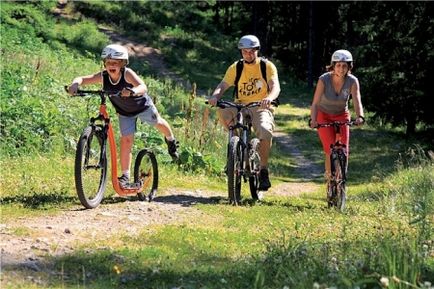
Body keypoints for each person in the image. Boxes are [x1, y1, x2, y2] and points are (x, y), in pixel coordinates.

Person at [68, 44, 179, 187]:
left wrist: (132, 91)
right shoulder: (104, 77)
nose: (111, 65)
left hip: (142, 106)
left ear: (122, 64)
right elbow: (82, 78)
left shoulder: (127, 74)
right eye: (108, 63)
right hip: (124, 112)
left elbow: (143, 87)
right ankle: (125, 176)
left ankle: (171, 141)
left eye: (115, 62)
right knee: (126, 141)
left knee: (158, 122)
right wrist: (75, 84)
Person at [208, 35, 281, 191]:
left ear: (257, 50)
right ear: (241, 52)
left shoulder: (267, 66)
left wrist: (269, 98)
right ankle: (234, 153)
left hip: (260, 105)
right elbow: (223, 84)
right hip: (240, 104)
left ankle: (263, 170)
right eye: (245, 52)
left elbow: (275, 86)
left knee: (265, 130)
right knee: (223, 110)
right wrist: (215, 96)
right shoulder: (236, 67)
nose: (248, 54)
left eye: (251, 51)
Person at [309, 49, 365, 182]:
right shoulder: (324, 79)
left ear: (349, 67)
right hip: (323, 115)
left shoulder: (352, 81)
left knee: (343, 148)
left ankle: (341, 179)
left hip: (342, 115)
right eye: (338, 65)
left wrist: (360, 116)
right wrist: (313, 119)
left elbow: (357, 100)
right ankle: (330, 181)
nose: (341, 69)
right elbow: (315, 103)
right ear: (333, 65)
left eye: (345, 65)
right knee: (329, 149)